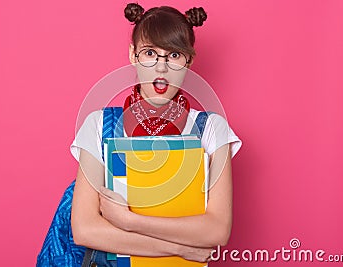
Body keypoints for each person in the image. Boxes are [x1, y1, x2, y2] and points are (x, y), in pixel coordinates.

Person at [70, 3, 242, 266]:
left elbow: (217, 230)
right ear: (133, 54)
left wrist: (128, 221)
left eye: (174, 55)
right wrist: (184, 248)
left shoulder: (211, 129)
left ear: (190, 60)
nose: (161, 69)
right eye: (150, 53)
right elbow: (85, 230)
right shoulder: (98, 125)